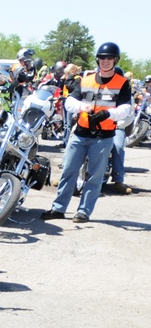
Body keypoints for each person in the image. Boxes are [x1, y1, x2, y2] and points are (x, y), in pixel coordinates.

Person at [42, 42, 132, 223]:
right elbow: (69, 102)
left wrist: (108, 114)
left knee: (95, 176)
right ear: (97, 60)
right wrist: (83, 106)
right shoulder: (86, 79)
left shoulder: (122, 83)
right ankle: (58, 208)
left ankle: (84, 211)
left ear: (115, 60)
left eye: (109, 58)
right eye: (102, 58)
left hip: (103, 137)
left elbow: (126, 108)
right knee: (68, 170)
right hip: (81, 133)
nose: (105, 61)